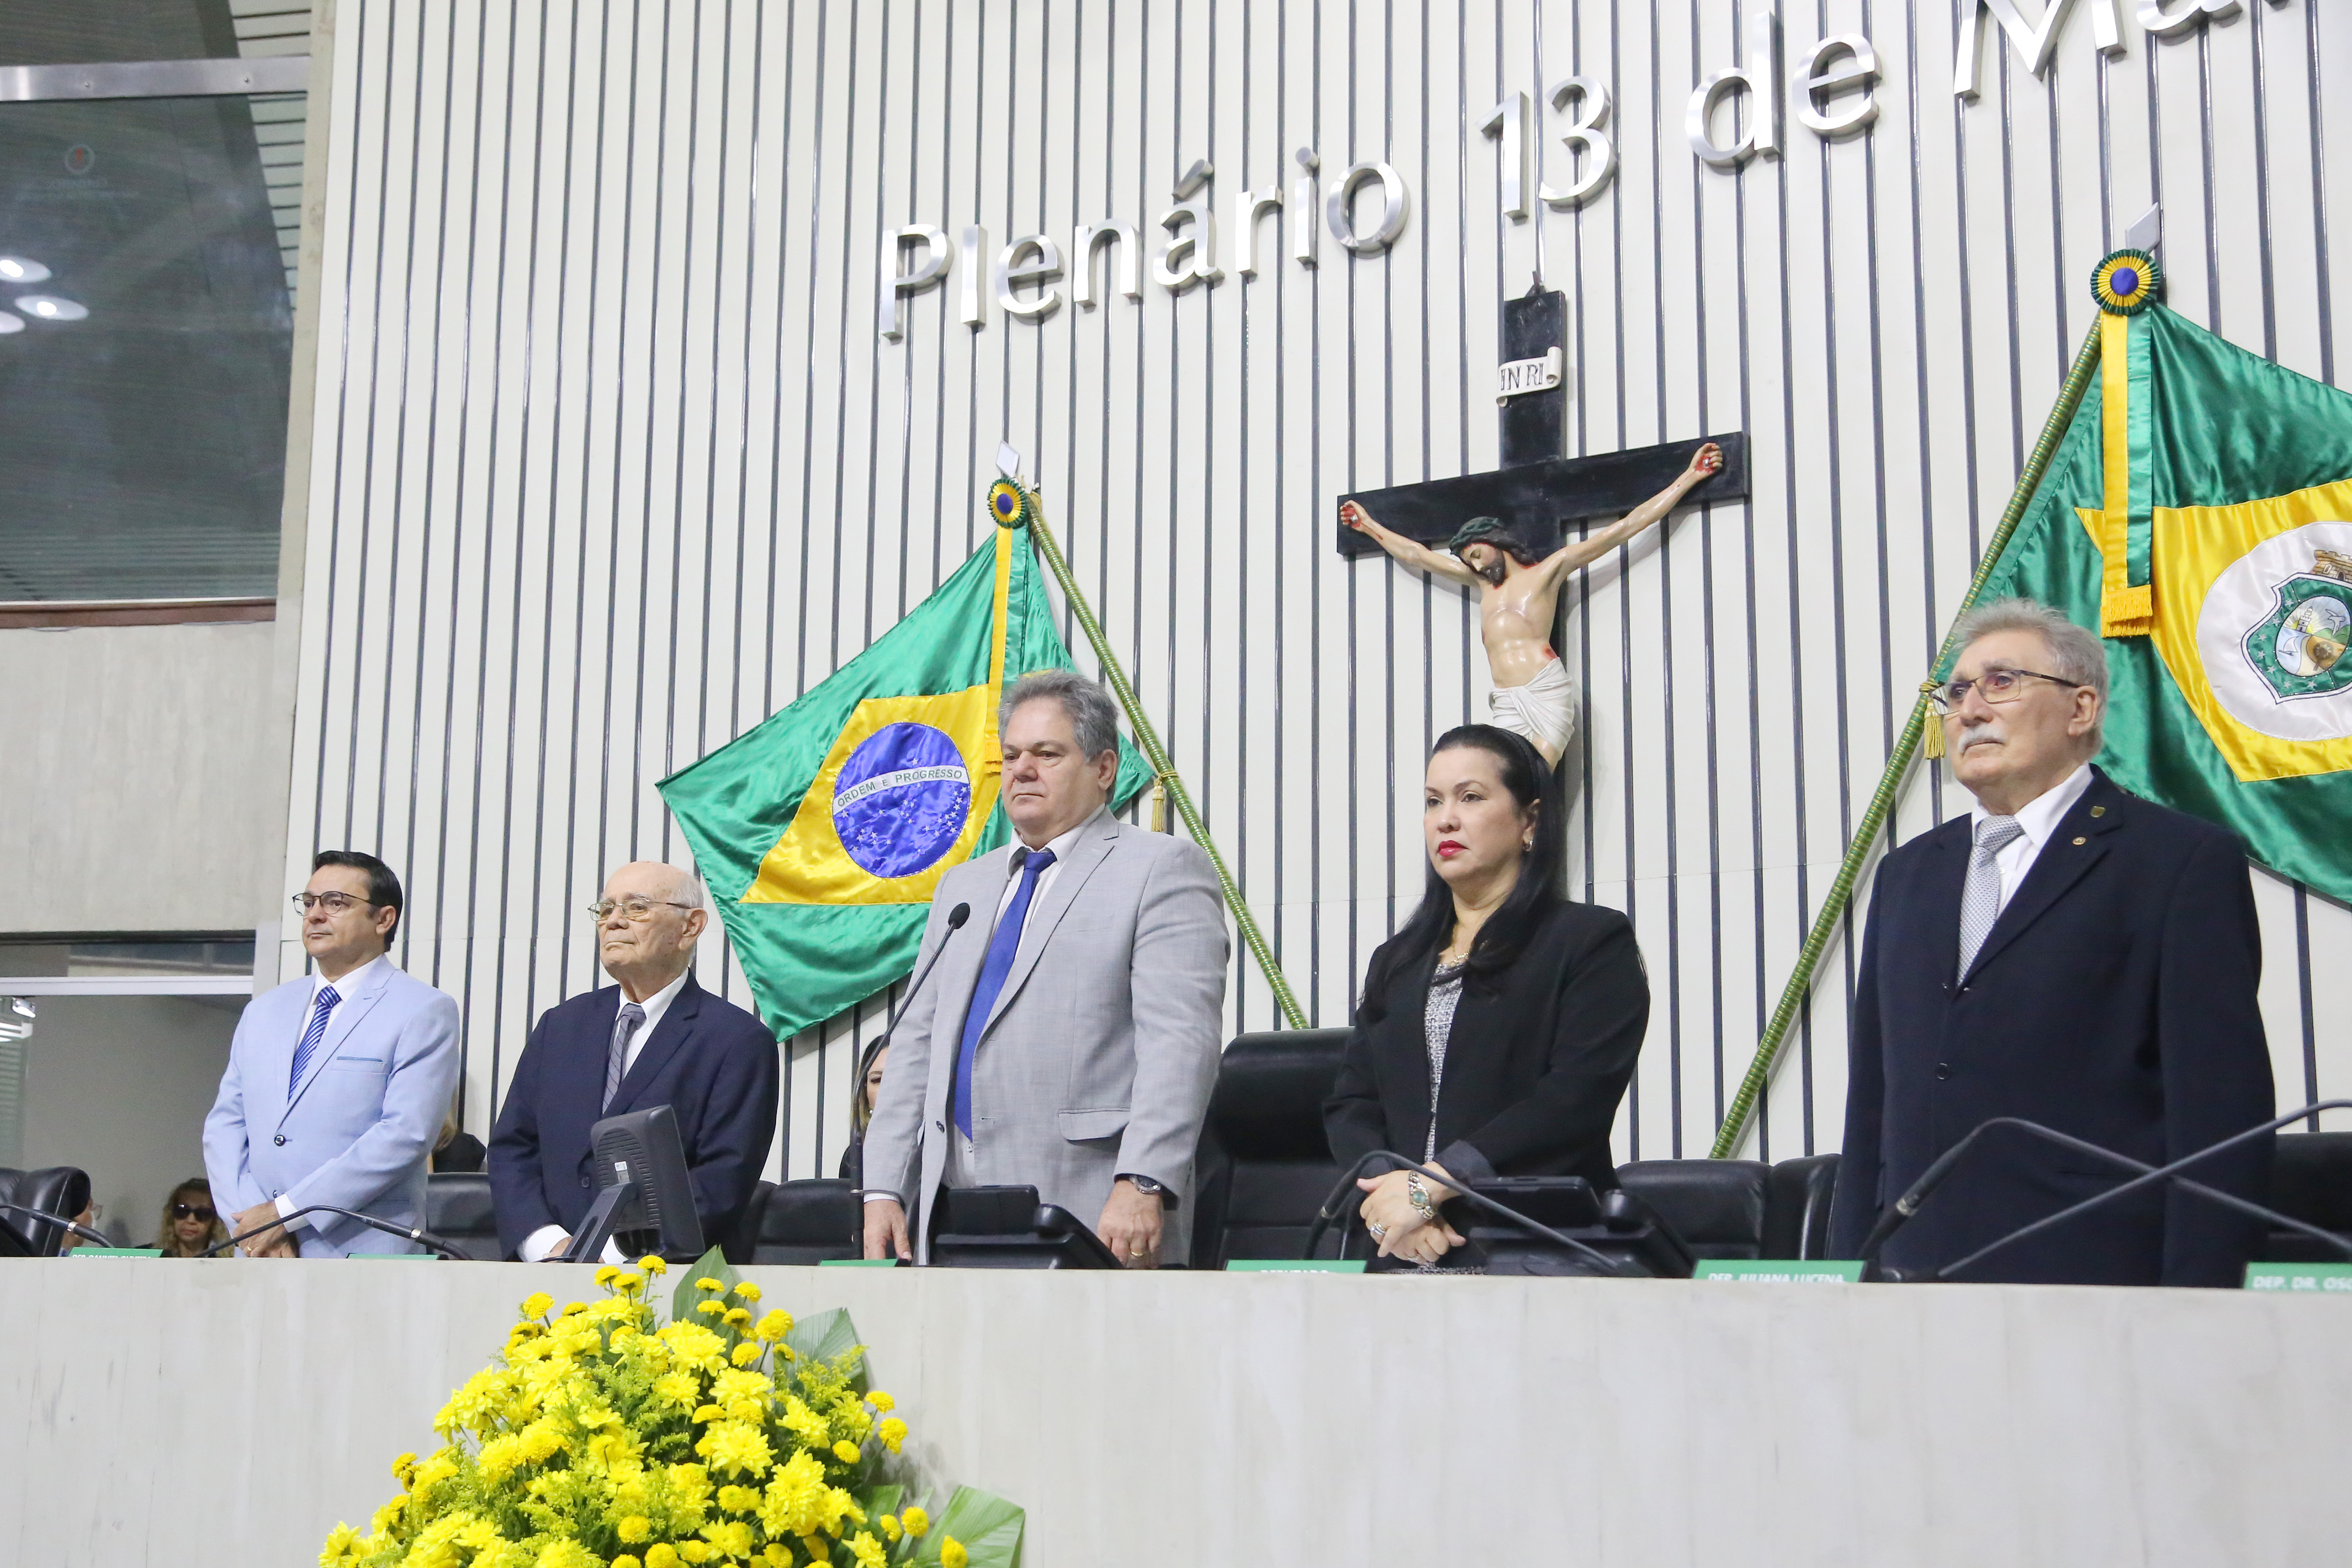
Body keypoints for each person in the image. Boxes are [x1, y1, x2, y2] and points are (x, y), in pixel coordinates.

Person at [1827, 598, 2275, 1286]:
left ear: (2081, 708)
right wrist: (1843, 1278)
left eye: (2001, 682)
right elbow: (1875, 1102)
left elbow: (2218, 1109)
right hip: (1910, 1275)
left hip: (2091, 1272)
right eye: (1955, 692)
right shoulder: (1908, 874)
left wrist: (2203, 1300)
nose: (1969, 710)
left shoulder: (2175, 861)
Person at [859, 669, 1230, 1268]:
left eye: (1047, 754)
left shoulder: (1160, 869)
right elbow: (916, 1044)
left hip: (1090, 1206)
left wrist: (1143, 1181)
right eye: (1010, 756)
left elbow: (1180, 1044)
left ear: (1104, 769)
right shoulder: (965, 885)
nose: (1021, 770)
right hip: (949, 1208)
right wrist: (883, 1187)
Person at [1325, 724, 1651, 1267]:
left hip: (1531, 1244)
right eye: (1433, 802)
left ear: (1530, 820)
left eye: (1470, 797)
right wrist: (1391, 1200)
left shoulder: (1588, 941)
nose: (1446, 819)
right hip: (1399, 1246)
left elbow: (1574, 1099)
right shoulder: (1398, 961)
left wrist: (1435, 1185)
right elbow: (1352, 1102)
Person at [1341, 442, 1723, 766]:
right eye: (1469, 561)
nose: (1474, 564)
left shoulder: (1547, 572)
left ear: (1496, 542)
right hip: (1506, 701)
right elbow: (1416, 555)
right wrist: (1368, 525)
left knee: (1537, 783)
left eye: (1477, 553)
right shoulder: (1480, 583)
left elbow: (1624, 529)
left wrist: (1690, 477)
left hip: (1544, 689)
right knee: (1510, 792)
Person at [489, 862, 779, 1262]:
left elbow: (723, 1177)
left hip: (660, 1281)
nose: (614, 922)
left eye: (636, 908)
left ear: (690, 927)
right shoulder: (560, 1026)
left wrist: (606, 1256)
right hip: (544, 1271)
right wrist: (546, 1244)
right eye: (606, 910)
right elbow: (513, 1149)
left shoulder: (737, 1041)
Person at [202, 850, 461, 1257]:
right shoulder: (264, 1011)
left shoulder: (423, 1010)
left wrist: (285, 1213)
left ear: (384, 919)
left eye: (336, 903)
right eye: (309, 903)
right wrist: (251, 1223)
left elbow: (404, 1135)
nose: (315, 915)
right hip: (259, 1250)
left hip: (358, 1248)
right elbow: (226, 1126)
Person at [837, 1038, 888, 1186]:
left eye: (898, 1079)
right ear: (865, 1090)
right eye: (878, 1080)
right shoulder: (854, 1157)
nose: (888, 1089)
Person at [153, 1178, 227, 1258]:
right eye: (183, 1211)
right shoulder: (148, 1257)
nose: (191, 1220)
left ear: (216, 1220)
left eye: (203, 1213)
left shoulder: (228, 1262)